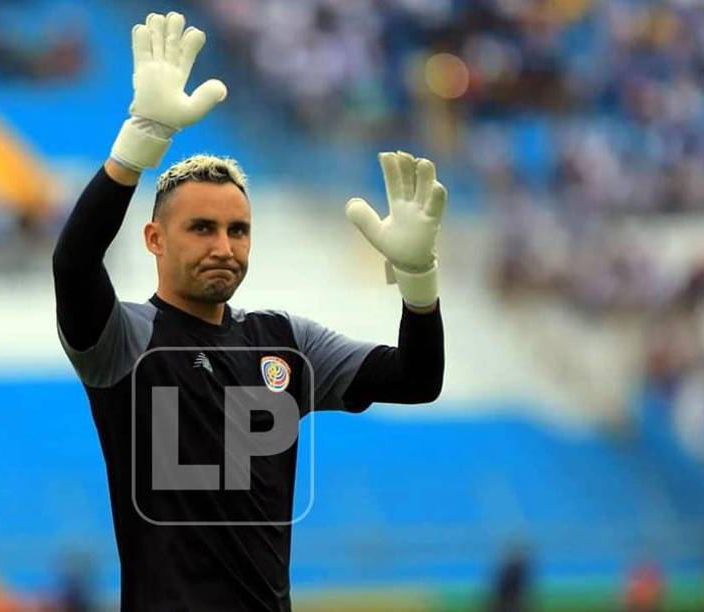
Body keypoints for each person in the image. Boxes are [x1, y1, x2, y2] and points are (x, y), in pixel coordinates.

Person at [52, 12, 445, 611]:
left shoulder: (287, 342)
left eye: (238, 230)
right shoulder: (126, 340)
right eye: (202, 228)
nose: (224, 246)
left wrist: (419, 285)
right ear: (155, 239)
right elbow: (74, 264)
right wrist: (139, 141)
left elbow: (417, 380)